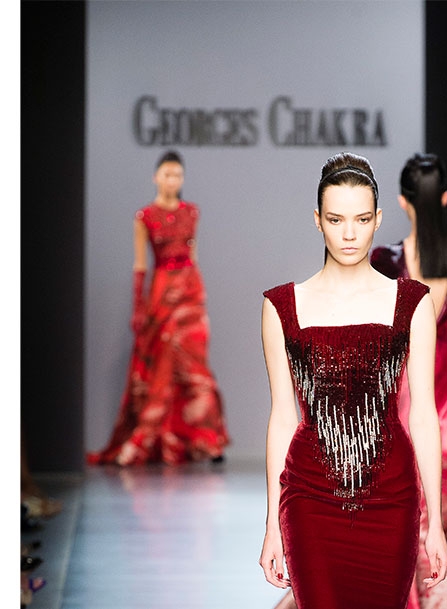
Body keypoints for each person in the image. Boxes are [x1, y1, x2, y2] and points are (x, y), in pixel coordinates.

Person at [259, 152, 447, 609]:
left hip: (392, 500)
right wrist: (270, 525)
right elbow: (283, 418)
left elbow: (423, 416)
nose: (349, 234)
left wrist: (437, 527)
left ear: (378, 219)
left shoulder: (412, 302)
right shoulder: (282, 306)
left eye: (361, 219)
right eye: (336, 219)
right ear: (317, 220)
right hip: (308, 499)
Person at [88, 151, 229, 466]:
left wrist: (200, 296)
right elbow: (140, 264)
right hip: (163, 291)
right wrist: (138, 306)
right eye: (167, 174)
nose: (172, 180)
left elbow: (193, 257)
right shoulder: (145, 216)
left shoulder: (191, 212)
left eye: (177, 175)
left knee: (195, 365)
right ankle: (159, 440)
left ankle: (208, 442)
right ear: (155, 177)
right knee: (163, 365)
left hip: (190, 293)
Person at [370, 153, 447, 609]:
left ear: (402, 201)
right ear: (445, 198)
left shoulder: (386, 262)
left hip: (406, 410)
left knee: (410, 523)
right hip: (442, 410)